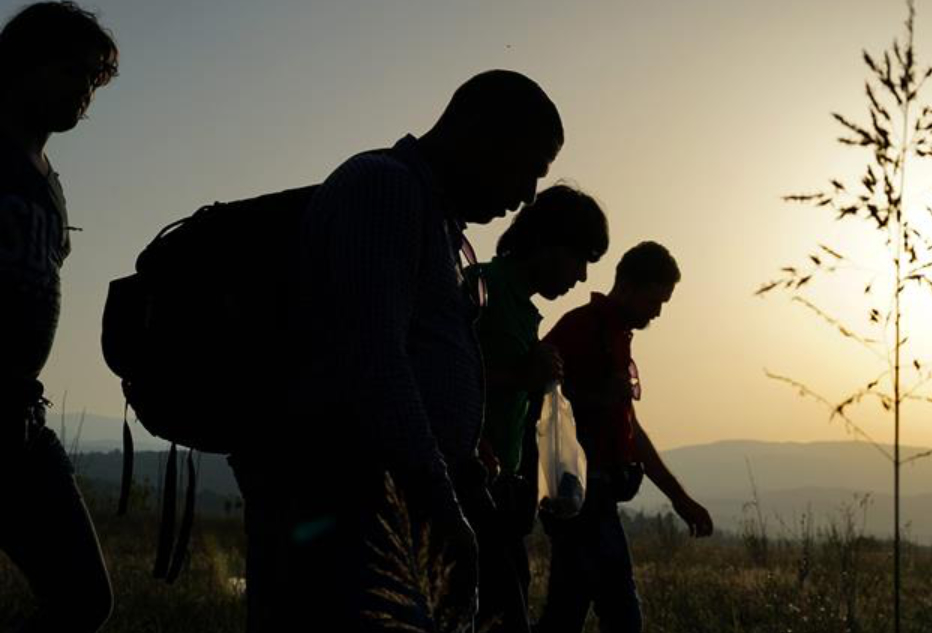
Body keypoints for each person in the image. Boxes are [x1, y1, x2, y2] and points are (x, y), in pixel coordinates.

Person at [230, 69, 564, 632]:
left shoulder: (437, 221)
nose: (529, 195)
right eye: (530, 168)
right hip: (349, 506)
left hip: (386, 505)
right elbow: (374, 360)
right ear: (482, 133)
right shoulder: (383, 190)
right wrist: (439, 496)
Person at [0, 2, 117, 631]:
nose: (83, 92)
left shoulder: (51, 182)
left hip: (20, 421)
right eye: (71, 71)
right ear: (21, 64)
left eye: (93, 79)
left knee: (84, 600)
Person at [536, 241, 714, 633]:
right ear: (629, 286)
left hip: (594, 498)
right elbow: (537, 401)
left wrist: (679, 499)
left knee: (567, 612)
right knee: (620, 615)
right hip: (581, 497)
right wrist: (599, 398)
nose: (657, 313)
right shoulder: (581, 327)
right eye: (654, 301)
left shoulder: (616, 336)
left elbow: (628, 431)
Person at [467, 184, 609, 632]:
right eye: (579, 258)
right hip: (466, 491)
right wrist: (522, 377)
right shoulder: (480, 288)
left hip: (502, 495)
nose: (582, 277)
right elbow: (435, 378)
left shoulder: (526, 313)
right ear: (547, 242)